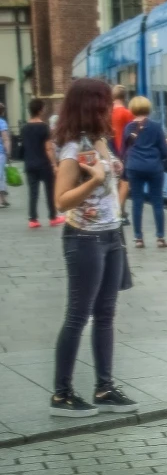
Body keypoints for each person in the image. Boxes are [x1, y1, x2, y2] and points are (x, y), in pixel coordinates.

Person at [50, 77, 138, 417]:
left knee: (105, 314)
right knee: (77, 316)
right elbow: (60, 201)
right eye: (105, 101)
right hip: (84, 239)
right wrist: (97, 181)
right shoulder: (74, 148)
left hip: (111, 236)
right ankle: (62, 394)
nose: (111, 106)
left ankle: (104, 388)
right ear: (92, 104)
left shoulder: (99, 139)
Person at [122, 96, 167, 249]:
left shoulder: (129, 127)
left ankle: (138, 239)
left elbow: (125, 148)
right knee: (157, 201)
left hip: (134, 167)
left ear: (132, 109)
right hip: (154, 167)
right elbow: (164, 151)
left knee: (137, 201)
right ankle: (160, 238)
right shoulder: (156, 127)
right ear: (148, 108)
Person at [21, 98, 61, 228]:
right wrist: (54, 164)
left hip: (30, 163)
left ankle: (33, 219)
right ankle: (53, 216)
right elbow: (48, 148)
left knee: (33, 192)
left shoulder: (24, 127)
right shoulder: (44, 127)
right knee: (50, 190)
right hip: (44, 164)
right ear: (39, 110)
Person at [111, 85, 134, 225]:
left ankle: (122, 212)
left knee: (115, 184)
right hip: (123, 151)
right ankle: (120, 213)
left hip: (109, 150)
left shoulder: (106, 113)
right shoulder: (127, 113)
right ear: (124, 97)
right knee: (124, 184)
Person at [0, 102, 9, 208]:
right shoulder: (2, 123)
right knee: (1, 176)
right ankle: (1, 200)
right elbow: (5, 138)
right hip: (0, 152)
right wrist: (8, 151)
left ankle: (3, 198)